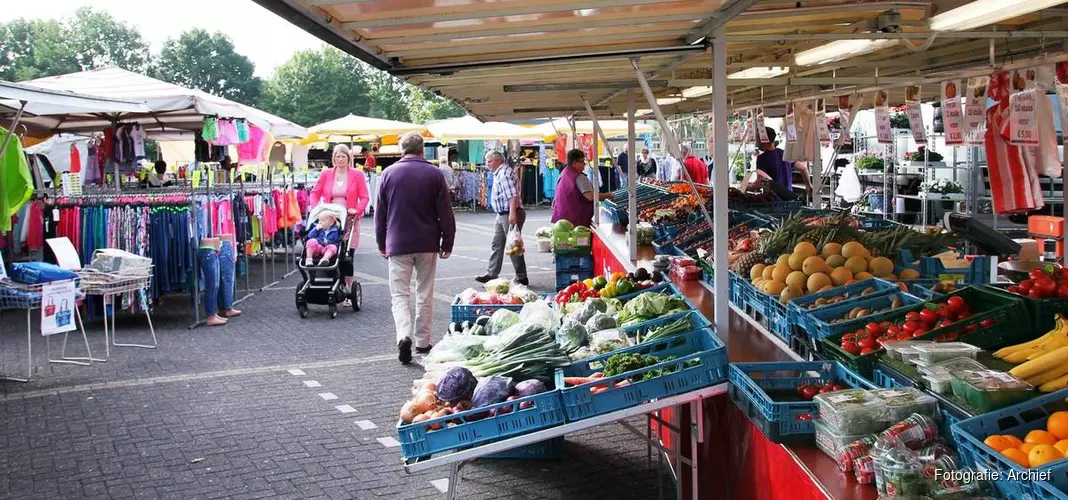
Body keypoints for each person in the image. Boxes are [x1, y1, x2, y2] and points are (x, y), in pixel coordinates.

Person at [376, 132, 456, 364]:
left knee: (399, 295)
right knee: (424, 292)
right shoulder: (434, 174)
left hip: (397, 243)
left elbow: (381, 214)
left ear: (402, 150)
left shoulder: (388, 174)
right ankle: (422, 341)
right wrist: (447, 241)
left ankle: (404, 335)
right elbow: (446, 213)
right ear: (422, 149)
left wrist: (382, 243)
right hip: (427, 243)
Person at [310, 144, 370, 307]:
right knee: (328, 249)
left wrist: (357, 209)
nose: (340, 159)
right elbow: (315, 192)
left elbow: (364, 197)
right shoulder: (326, 174)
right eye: (337, 156)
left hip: (349, 218)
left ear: (348, 158)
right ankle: (329, 284)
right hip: (330, 217)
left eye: (343, 156)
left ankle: (347, 286)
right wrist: (316, 207)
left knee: (347, 255)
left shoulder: (357, 175)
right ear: (333, 158)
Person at [477, 152, 528, 286]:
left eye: (489, 161)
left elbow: (512, 195)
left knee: (513, 245)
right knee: (497, 243)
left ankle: (521, 276)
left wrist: (512, 214)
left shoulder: (504, 173)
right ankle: (492, 273)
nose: (487, 164)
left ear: (498, 161)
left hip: (509, 213)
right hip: (501, 213)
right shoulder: (499, 173)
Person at [551, 149, 613, 228]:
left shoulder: (564, 172)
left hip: (562, 217)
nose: (584, 164)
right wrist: (608, 195)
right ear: (574, 163)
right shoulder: (578, 177)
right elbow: (590, 196)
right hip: (575, 220)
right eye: (582, 161)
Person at [756, 127, 812, 199]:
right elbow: (803, 168)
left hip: (773, 201)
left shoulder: (762, 158)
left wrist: (746, 187)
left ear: (763, 139)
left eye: (758, 139)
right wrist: (809, 185)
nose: (757, 142)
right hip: (788, 198)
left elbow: (759, 181)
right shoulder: (784, 154)